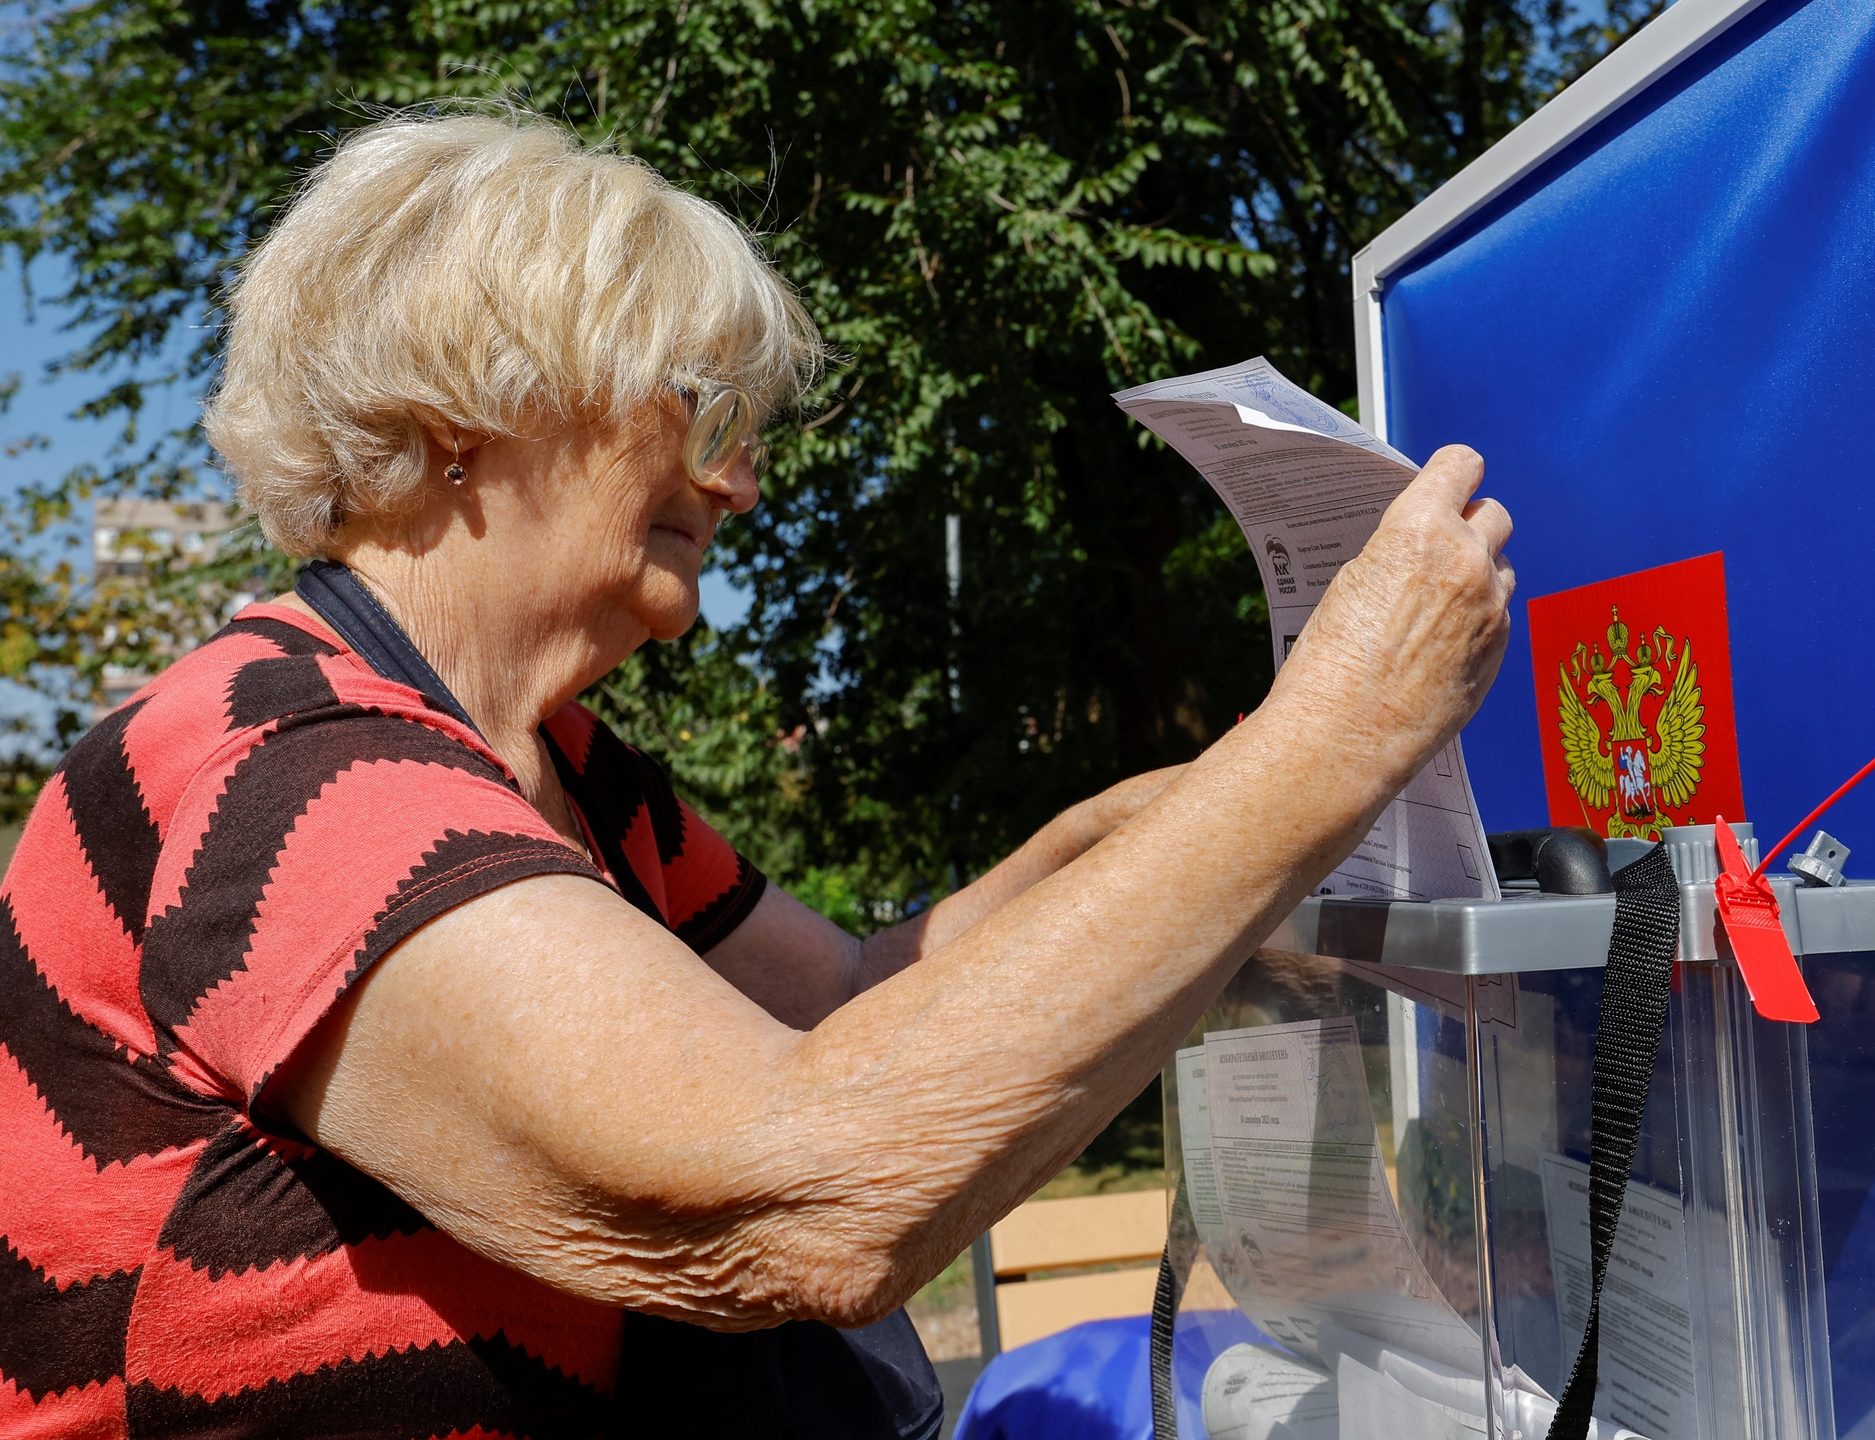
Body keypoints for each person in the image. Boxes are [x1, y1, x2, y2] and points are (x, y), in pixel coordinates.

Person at [0, 109, 1513, 1438]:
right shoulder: (282, 770)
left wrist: (1187, 805)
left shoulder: (561, 769)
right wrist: (1337, 735)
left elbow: (857, 990)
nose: (742, 476)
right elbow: (789, 1192)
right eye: (695, 409)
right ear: (467, 410)